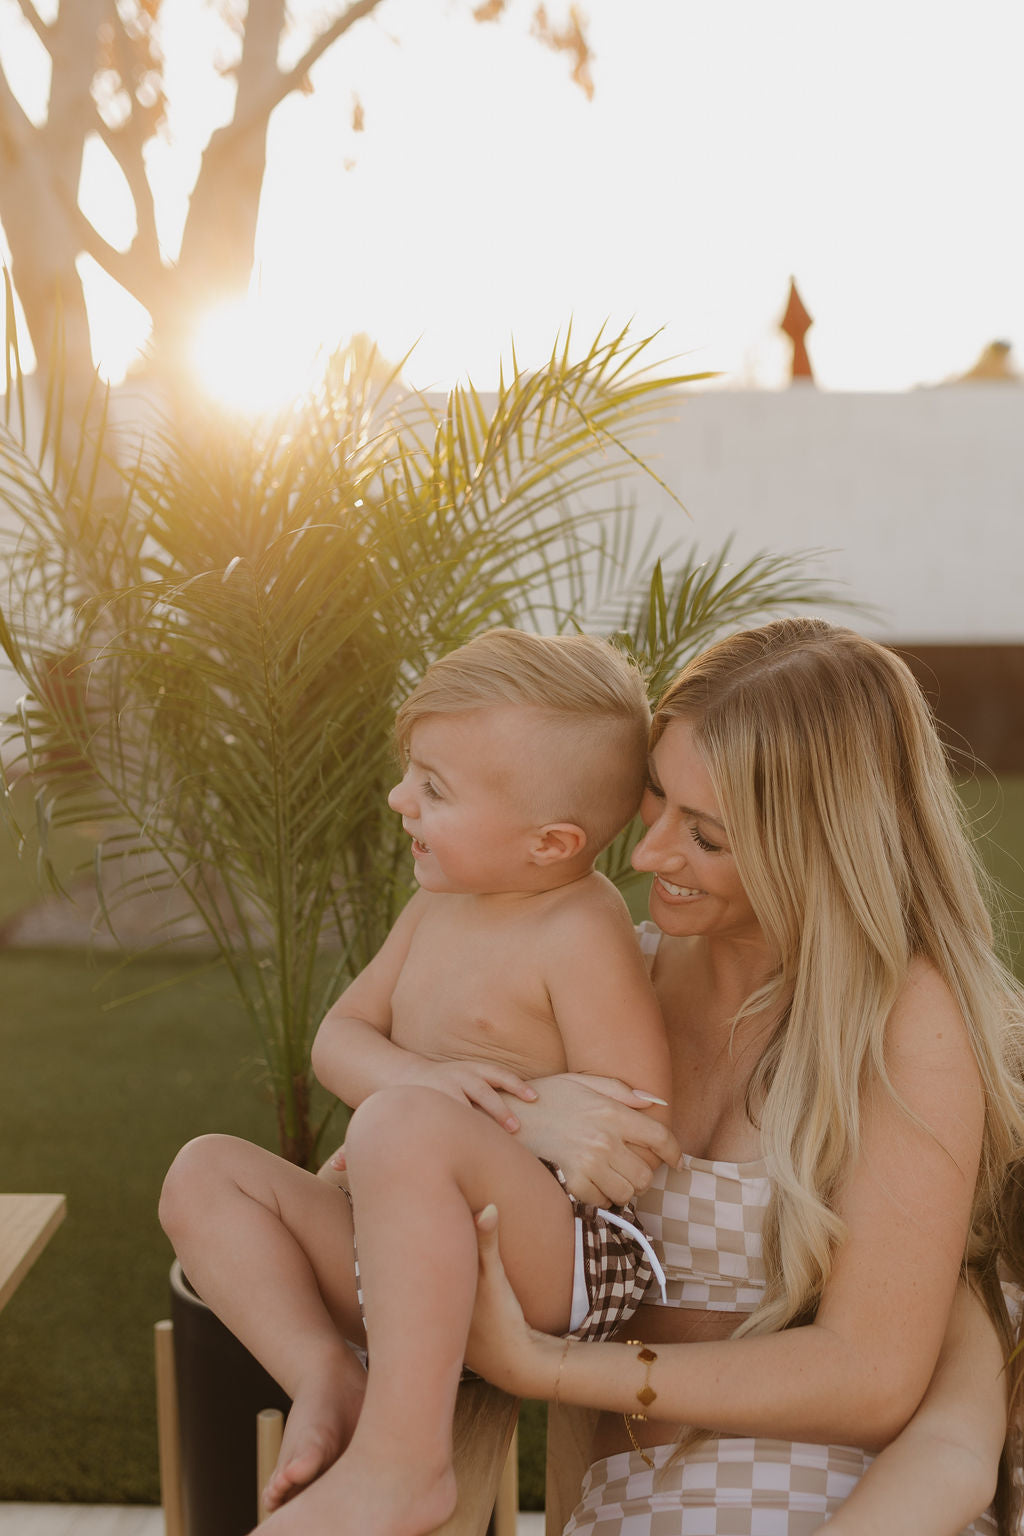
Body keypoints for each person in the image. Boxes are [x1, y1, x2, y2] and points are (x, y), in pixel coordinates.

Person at [462, 617, 1024, 1536]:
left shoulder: (904, 1020)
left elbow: (870, 1377)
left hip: (855, 1500)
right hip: (643, 1501)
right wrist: (518, 1111)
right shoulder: (602, 976)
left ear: (820, 843)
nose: (645, 855)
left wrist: (550, 1368)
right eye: (655, 797)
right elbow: (402, 1173)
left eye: (709, 837)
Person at [158, 627, 677, 1536]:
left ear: (549, 843)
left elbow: (629, 1136)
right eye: (411, 773)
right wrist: (419, 1087)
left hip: (553, 1268)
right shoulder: (436, 904)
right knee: (202, 1173)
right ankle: (329, 1375)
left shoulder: (578, 930)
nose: (400, 798)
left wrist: (458, 1124)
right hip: (400, 1253)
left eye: (433, 789)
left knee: (400, 1122)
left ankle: (407, 1467)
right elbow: (339, 1037)